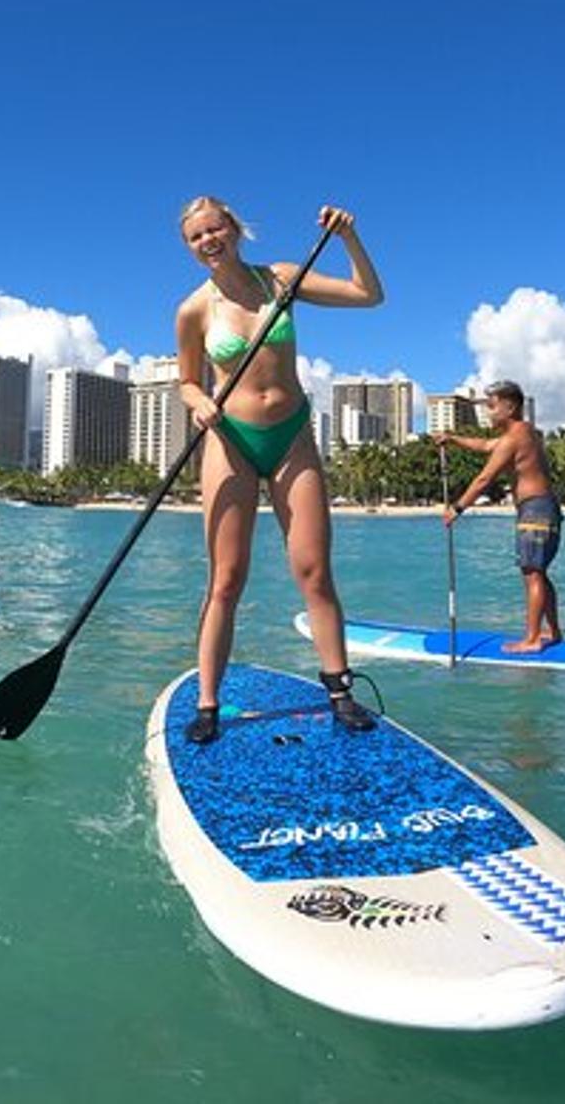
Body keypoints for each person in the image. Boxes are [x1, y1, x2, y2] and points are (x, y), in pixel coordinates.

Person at [174, 198, 383, 745]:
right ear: (189, 248)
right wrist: (198, 402)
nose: (208, 240)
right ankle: (208, 702)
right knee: (226, 579)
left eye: (215, 228)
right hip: (231, 442)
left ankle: (339, 690)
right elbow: (188, 381)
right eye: (196, 236)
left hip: (291, 436)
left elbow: (368, 295)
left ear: (235, 229)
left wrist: (348, 239)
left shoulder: (281, 279)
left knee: (314, 571)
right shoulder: (194, 310)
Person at [438, 380, 563, 651]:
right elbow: (484, 445)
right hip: (548, 508)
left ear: (510, 407)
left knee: (532, 574)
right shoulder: (527, 432)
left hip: (535, 511)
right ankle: (552, 632)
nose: (489, 412)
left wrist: (456, 509)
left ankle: (531, 640)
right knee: (539, 573)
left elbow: (484, 479)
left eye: (492, 407)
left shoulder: (511, 440)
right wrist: (453, 438)